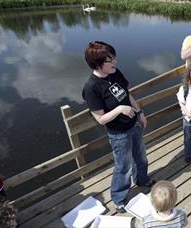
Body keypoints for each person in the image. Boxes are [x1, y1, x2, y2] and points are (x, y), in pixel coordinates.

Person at [82, 41, 154, 213]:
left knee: (141, 157)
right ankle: (119, 197)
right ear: (97, 64)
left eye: (114, 57)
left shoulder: (115, 73)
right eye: (109, 60)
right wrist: (120, 109)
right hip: (118, 134)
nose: (114, 62)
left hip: (134, 125)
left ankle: (142, 180)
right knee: (123, 166)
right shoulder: (91, 88)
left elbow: (128, 95)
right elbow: (100, 119)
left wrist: (140, 112)